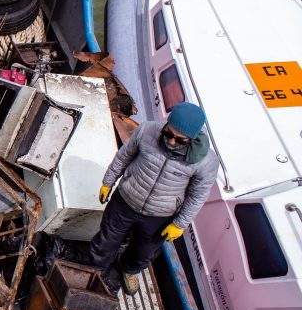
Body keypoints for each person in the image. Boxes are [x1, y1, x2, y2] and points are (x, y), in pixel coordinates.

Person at [89, 102, 218, 295]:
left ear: (192, 138)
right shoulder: (147, 130)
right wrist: (108, 182)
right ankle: (93, 269)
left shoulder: (206, 161)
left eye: (181, 141)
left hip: (159, 215)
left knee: (143, 253)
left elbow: (197, 195)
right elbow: (124, 157)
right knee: (106, 240)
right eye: (168, 134)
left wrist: (180, 224)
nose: (172, 142)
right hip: (125, 201)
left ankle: (127, 270)